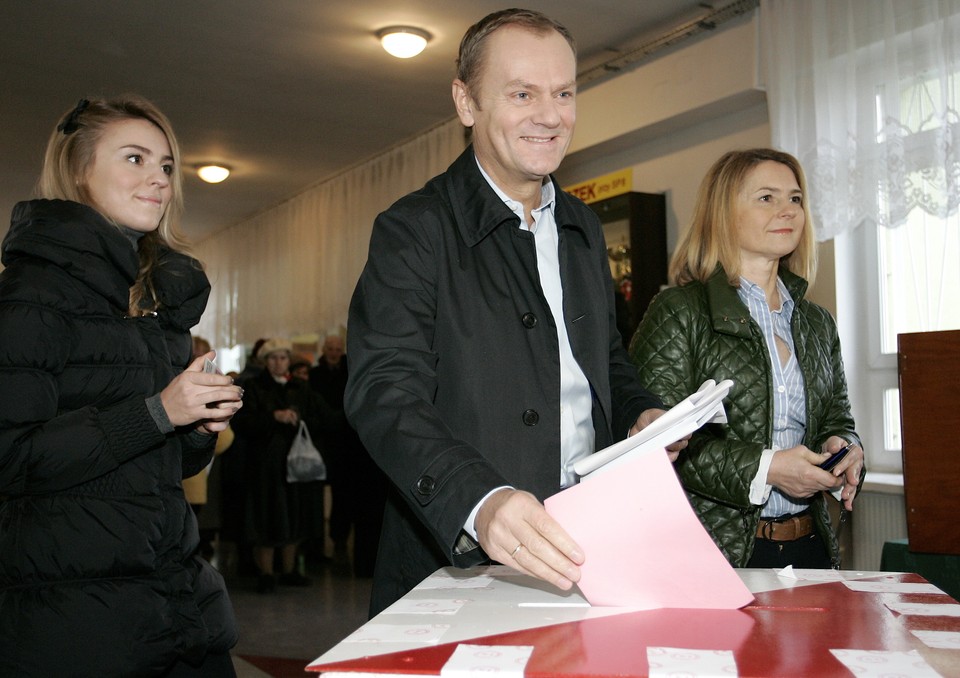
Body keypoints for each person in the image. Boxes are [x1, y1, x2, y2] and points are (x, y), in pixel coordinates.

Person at [345, 8, 684, 616]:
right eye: (522, 93)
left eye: (563, 93)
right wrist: (480, 501)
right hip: (456, 565)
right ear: (466, 102)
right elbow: (385, 393)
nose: (549, 116)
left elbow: (605, 362)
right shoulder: (413, 230)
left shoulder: (582, 228)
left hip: (590, 550)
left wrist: (642, 415)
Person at [0, 95, 243, 676]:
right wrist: (157, 412)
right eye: (134, 158)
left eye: (164, 166)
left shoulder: (151, 302)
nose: (158, 180)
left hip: (174, 600)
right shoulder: (31, 296)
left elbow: (155, 466)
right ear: (78, 170)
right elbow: (10, 459)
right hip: (78, 621)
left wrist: (199, 428)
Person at [629, 148, 865, 570]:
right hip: (714, 551)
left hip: (809, 545)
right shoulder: (680, 311)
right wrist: (768, 468)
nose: (787, 211)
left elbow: (837, 417)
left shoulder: (817, 321)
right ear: (723, 213)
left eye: (795, 199)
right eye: (766, 198)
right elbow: (656, 446)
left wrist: (845, 447)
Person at [231, 338, 341, 593]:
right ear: (265, 361)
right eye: (273, 358)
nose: (278, 363)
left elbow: (322, 418)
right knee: (266, 517)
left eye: (282, 358)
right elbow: (243, 423)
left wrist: (299, 418)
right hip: (264, 466)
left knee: (294, 515)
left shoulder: (301, 388)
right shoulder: (254, 386)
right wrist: (273, 417)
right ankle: (266, 573)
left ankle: (289, 570)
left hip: (294, 465)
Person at [309, 333, 387, 577]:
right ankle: (338, 539)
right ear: (324, 349)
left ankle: (350, 547)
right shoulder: (315, 375)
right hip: (332, 446)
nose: (333, 351)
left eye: (336, 348)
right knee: (340, 500)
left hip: (355, 448)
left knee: (357, 503)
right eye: (329, 347)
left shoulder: (349, 371)